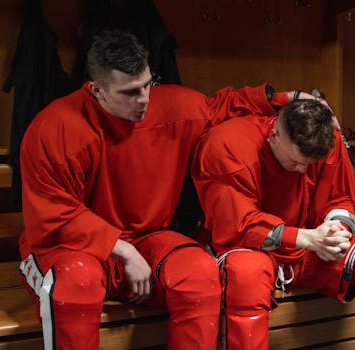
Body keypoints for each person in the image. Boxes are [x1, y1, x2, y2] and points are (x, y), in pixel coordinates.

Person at [17, 29, 309, 350]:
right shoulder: (54, 127)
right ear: (96, 89)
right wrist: (123, 250)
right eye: (130, 92)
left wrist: (287, 99)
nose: (144, 99)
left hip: (146, 237)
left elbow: (221, 107)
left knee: (198, 272)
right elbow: (54, 213)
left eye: (147, 84)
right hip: (67, 247)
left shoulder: (170, 106)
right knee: (76, 283)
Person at [191, 99, 355, 350]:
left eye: (309, 165)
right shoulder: (228, 142)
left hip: (311, 251)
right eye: (295, 161)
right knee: (246, 273)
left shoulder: (327, 139)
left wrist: (335, 231)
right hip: (253, 250)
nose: (301, 170)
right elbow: (235, 225)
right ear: (274, 134)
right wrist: (308, 238)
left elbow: (341, 198)